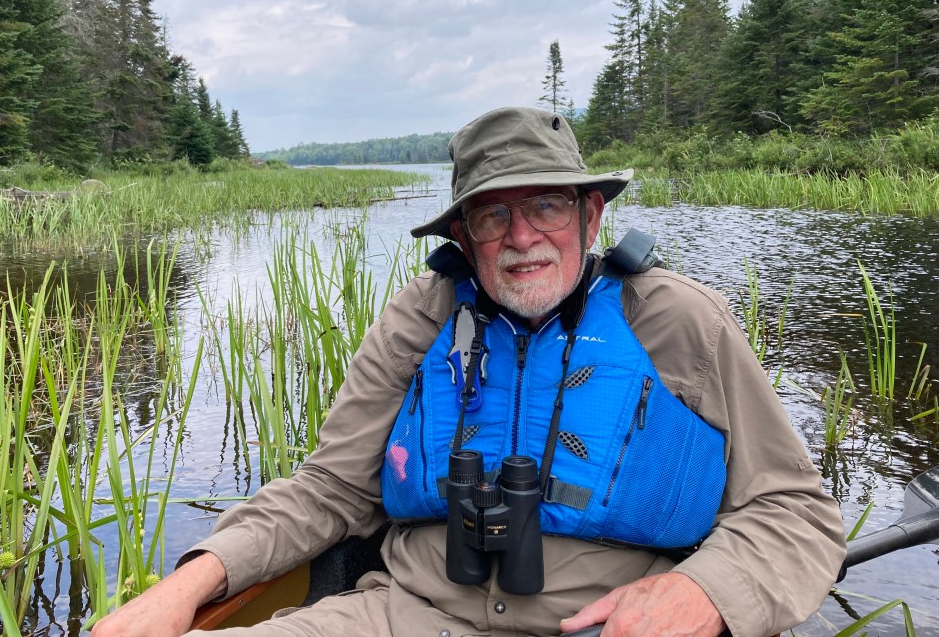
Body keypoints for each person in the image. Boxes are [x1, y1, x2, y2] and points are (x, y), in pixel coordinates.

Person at [92, 107, 846, 637]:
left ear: (590, 217)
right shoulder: (419, 319)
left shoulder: (680, 321)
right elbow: (329, 488)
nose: (523, 238)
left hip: (605, 625)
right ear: (463, 234)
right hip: (401, 618)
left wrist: (702, 590)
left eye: (546, 206)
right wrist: (183, 586)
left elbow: (793, 513)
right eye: (493, 216)